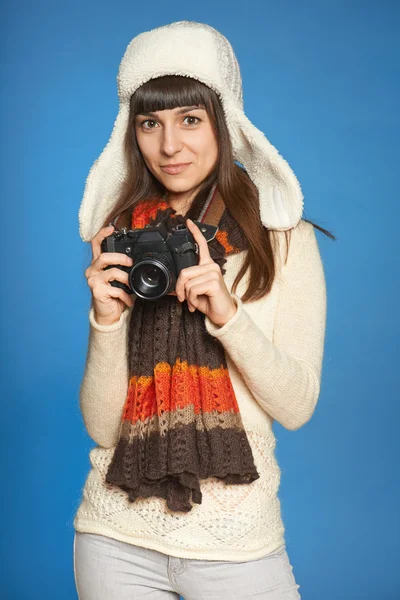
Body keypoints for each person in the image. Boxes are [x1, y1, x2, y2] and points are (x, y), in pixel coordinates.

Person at [72, 20, 334, 600]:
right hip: (115, 538)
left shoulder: (283, 239)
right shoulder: (124, 239)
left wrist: (228, 315)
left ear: (225, 120)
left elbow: (297, 406)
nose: (170, 146)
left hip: (238, 543)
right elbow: (102, 427)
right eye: (150, 123)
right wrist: (107, 322)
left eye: (190, 119)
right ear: (131, 132)